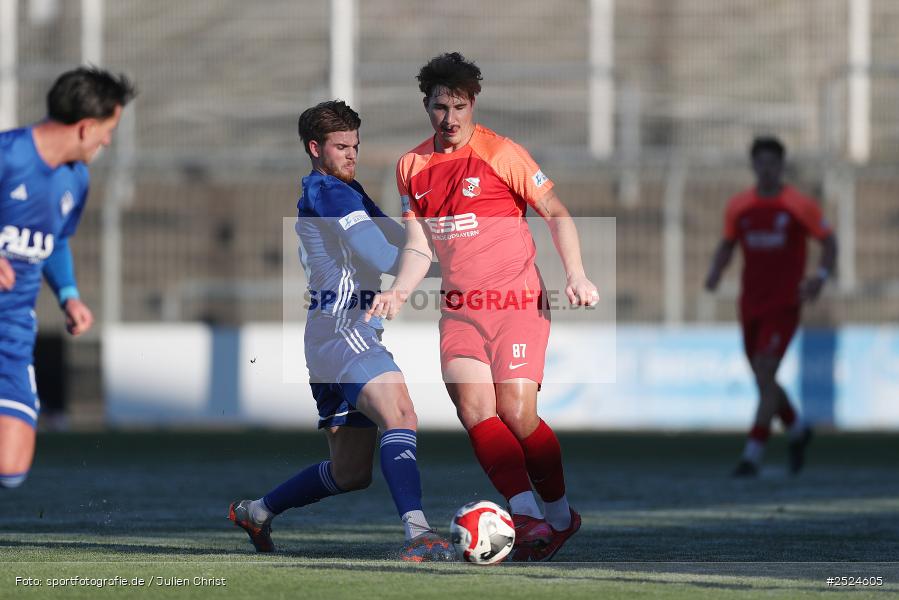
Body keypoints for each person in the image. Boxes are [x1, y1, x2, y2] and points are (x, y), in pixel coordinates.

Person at [366, 52, 598, 561]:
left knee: (516, 411)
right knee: (474, 408)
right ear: (426, 106)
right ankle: (527, 516)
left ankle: (561, 517)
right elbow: (419, 245)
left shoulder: (502, 153)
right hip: (460, 310)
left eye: (459, 106)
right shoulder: (411, 166)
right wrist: (398, 292)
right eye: (439, 107)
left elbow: (555, 212)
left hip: (517, 302)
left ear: (473, 103)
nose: (449, 118)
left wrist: (576, 274)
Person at [228, 100, 452, 562]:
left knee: (351, 472)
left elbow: (397, 237)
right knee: (401, 414)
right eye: (340, 146)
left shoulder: (345, 190)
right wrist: (443, 266)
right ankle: (419, 533)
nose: (351, 154)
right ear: (315, 148)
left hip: (328, 336)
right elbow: (382, 255)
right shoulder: (329, 193)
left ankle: (257, 511)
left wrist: (446, 257)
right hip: (344, 328)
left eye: (355, 146)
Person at [0, 67, 135, 488]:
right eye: (108, 131)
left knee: (11, 468)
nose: (107, 142)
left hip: (11, 332)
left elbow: (55, 241)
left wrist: (69, 295)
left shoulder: (75, 179)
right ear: (85, 127)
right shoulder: (9, 155)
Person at [705, 136, 837, 477]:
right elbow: (728, 242)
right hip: (750, 303)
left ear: (781, 166)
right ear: (753, 165)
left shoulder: (798, 205)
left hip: (785, 303)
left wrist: (820, 277)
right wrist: (716, 270)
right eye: (761, 162)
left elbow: (829, 241)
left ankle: (752, 455)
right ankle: (797, 430)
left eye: (772, 163)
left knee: (765, 371)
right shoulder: (739, 206)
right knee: (764, 378)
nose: (766, 169)